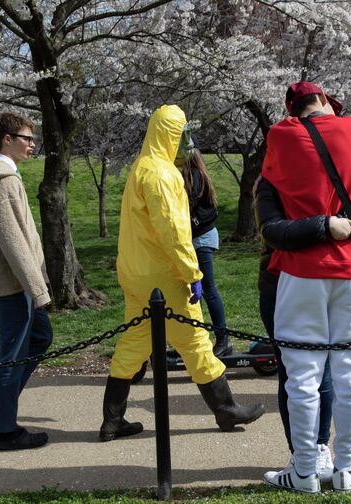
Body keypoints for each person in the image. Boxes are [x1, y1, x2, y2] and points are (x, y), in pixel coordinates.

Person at [99, 104, 264, 442]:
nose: (186, 142)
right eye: (181, 134)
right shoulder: (163, 174)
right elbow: (173, 230)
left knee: (134, 342)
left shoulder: (140, 168)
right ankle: (225, 408)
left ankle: (112, 420)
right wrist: (192, 273)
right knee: (195, 340)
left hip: (135, 273)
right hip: (164, 276)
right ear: (171, 134)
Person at [260, 81, 351, 493]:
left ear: (292, 109)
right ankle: (345, 470)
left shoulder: (280, 134)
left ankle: (305, 471)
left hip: (301, 270)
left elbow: (272, 185)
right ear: (324, 100)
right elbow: (338, 126)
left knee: (302, 377)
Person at [0, 112, 53, 450]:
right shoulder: (2, 181)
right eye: (26, 138)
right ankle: (6, 431)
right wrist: (39, 290)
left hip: (16, 282)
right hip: (15, 284)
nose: (32, 144)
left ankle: (0, 406)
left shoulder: (1, 177)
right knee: (12, 354)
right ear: (7, 139)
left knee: (41, 337)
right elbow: (14, 242)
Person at [254, 175, 338, 484]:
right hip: (281, 285)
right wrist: (327, 226)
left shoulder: (335, 174)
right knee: (293, 373)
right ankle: (301, 454)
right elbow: (274, 232)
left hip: (326, 283)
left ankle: (317, 448)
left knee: (324, 372)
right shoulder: (272, 182)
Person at [180, 147, 232, 357]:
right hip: (197, 237)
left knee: (208, 288)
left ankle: (223, 339)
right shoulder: (196, 174)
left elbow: (189, 207)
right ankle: (196, 340)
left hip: (201, 238)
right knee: (194, 291)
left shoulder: (194, 177)